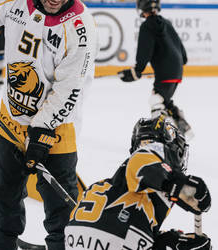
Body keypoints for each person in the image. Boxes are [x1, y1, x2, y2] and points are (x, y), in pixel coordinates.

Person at [0, 0, 97, 248]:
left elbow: (71, 88)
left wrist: (43, 129)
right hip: (11, 118)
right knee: (4, 201)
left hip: (57, 129)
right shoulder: (14, 2)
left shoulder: (80, 27)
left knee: (61, 213)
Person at [65, 115, 211, 249]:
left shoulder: (103, 186)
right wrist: (176, 184)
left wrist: (173, 243)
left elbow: (131, 232)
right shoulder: (151, 165)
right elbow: (142, 163)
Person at [118, 0, 193, 140]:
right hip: (177, 72)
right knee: (164, 101)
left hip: (166, 73)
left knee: (155, 100)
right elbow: (183, 56)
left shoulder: (147, 26)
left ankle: (163, 138)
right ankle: (183, 128)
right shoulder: (166, 23)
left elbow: (145, 51)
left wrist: (137, 71)